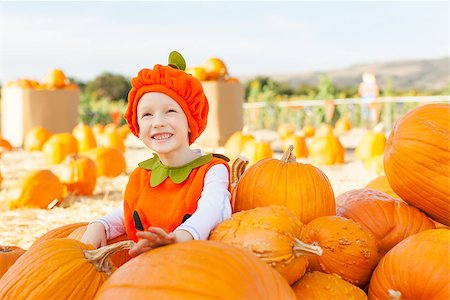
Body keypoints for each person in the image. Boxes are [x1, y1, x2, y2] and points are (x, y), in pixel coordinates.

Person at [81, 52, 232, 257]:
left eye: (170, 111)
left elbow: (213, 210)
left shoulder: (212, 171)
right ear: (137, 126)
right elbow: (130, 212)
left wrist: (180, 236)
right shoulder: (142, 175)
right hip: (145, 269)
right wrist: (102, 225)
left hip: (195, 265)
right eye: (147, 114)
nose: (158, 122)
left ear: (190, 122)